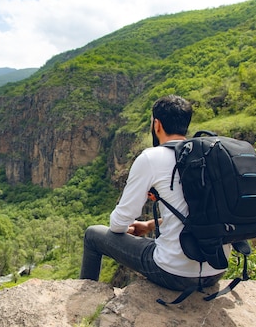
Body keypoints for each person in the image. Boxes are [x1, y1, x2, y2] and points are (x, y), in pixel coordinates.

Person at [80, 94, 229, 292]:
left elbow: (118, 224)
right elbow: (199, 213)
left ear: (157, 125)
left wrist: (127, 228)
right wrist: (151, 225)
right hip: (216, 270)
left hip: (174, 274)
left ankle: (86, 297)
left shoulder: (152, 157)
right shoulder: (208, 156)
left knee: (92, 234)